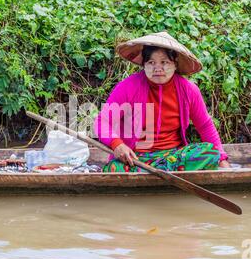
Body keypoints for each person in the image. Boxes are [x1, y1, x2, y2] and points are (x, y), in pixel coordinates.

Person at [94, 31, 231, 172]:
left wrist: (221, 159)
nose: (157, 68)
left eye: (164, 62)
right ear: (144, 64)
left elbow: (205, 125)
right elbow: (102, 122)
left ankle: (158, 171)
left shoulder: (188, 90)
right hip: (136, 158)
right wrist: (117, 144)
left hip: (173, 156)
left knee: (210, 153)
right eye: (151, 62)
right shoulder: (128, 87)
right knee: (115, 168)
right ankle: (160, 171)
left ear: (175, 64)